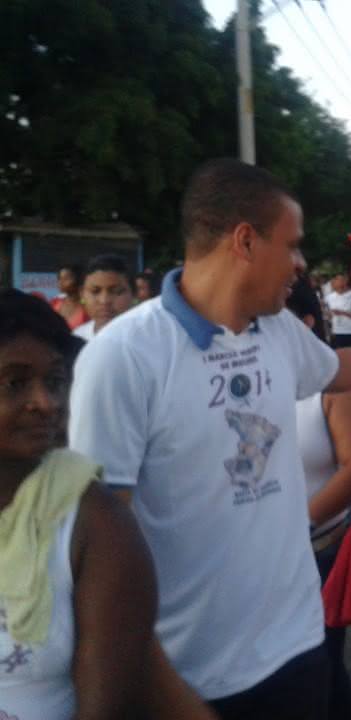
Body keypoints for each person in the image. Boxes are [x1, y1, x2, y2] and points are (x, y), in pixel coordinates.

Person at [68, 158, 351, 719]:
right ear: (245, 241)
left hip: (298, 646)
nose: (301, 264)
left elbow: (338, 369)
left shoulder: (275, 329)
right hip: (194, 676)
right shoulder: (124, 356)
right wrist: (164, 693)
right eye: (292, 245)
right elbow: (100, 550)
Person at [0, 290, 213, 720]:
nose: (45, 403)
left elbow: (107, 709)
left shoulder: (94, 523)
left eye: (55, 382)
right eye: (14, 384)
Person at [286, 276, 351, 720]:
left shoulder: (335, 386)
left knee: (319, 664)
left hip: (319, 549)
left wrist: (296, 529)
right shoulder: (242, 378)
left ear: (304, 324)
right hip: (252, 555)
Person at [73, 254, 135, 341]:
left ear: (133, 293)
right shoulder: (78, 337)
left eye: (116, 291)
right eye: (95, 291)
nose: (104, 300)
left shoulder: (148, 339)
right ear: (82, 294)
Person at [325, 273, 351, 348]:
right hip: (335, 332)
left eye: (342, 280)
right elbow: (328, 314)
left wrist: (342, 313)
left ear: (346, 281)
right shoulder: (329, 297)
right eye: (337, 280)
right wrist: (328, 314)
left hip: (349, 332)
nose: (340, 282)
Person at [49, 264, 89, 330]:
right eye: (59, 278)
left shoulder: (87, 307)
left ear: (78, 280)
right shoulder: (54, 303)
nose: (61, 282)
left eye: (66, 279)